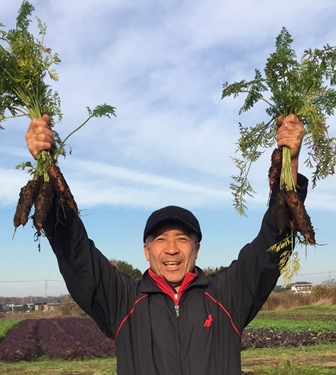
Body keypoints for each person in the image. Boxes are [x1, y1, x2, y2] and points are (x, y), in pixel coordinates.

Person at [25, 114, 307, 374]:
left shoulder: (227, 296)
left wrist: (289, 167)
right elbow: (76, 255)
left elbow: (270, 249)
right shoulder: (123, 300)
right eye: (160, 240)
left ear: (196, 248)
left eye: (182, 239)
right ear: (146, 251)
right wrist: (47, 168)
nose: (171, 249)